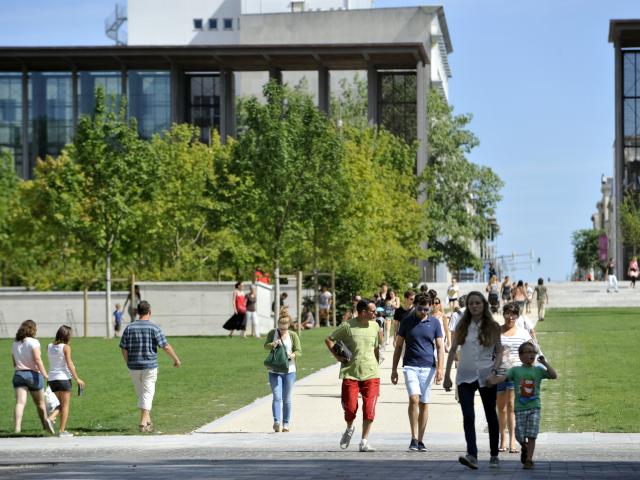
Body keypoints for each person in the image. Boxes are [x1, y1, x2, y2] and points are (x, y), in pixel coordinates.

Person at [443, 292, 502, 470]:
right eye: (470, 304)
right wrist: (447, 376)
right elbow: (453, 350)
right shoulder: (462, 325)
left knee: (491, 414)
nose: (474, 306)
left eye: (477, 303)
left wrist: (494, 371)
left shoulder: (493, 326)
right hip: (464, 376)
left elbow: (499, 351)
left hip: (486, 375)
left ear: (483, 305)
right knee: (468, 415)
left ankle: (494, 454)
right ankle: (472, 455)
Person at [488, 341, 557, 470]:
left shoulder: (538, 370)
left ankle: (529, 459)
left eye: (533, 352)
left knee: (532, 434)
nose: (532, 355)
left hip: (534, 407)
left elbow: (554, 375)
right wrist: (492, 380)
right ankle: (524, 447)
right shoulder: (515, 371)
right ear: (520, 356)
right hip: (519, 408)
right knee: (519, 435)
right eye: (528, 352)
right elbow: (503, 378)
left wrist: (545, 363)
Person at [325, 299, 380, 452]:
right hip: (350, 373)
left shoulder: (375, 326)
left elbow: (376, 349)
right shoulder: (347, 326)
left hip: (371, 373)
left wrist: (377, 363)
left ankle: (364, 441)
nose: (376, 314)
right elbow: (329, 340)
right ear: (363, 312)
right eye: (373, 311)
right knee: (350, 408)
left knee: (369, 409)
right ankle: (349, 428)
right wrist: (337, 357)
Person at [391, 293, 444, 452]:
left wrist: (440, 368)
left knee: (424, 403)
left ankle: (421, 440)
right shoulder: (407, 321)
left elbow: (440, 347)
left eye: (426, 309)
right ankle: (413, 438)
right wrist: (394, 369)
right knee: (414, 399)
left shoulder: (434, 322)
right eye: (421, 309)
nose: (423, 312)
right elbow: (399, 346)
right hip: (410, 366)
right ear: (415, 305)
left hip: (428, 367)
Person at [119, 301, 181, 432]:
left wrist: (128, 361)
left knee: (142, 394)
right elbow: (165, 346)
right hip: (149, 365)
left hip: (134, 366)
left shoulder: (129, 328)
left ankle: (148, 422)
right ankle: (143, 422)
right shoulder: (154, 328)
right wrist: (176, 359)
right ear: (149, 312)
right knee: (147, 393)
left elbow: (123, 347)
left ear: (137, 312)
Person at [496, 303, 533, 454]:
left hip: (516, 374)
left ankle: (512, 440)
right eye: (507, 314)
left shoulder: (523, 333)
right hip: (499, 374)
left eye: (514, 315)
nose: (510, 317)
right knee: (501, 408)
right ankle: (502, 438)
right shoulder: (497, 331)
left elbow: (532, 350)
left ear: (518, 316)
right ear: (503, 314)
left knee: (511, 406)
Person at [12, 320, 55, 435]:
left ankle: (17, 428)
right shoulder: (34, 342)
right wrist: (45, 374)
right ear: (33, 329)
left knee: (20, 403)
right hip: (33, 375)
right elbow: (37, 359)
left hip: (19, 374)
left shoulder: (15, 343)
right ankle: (45, 426)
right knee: (40, 404)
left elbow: (14, 363)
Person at [264, 312, 301, 432]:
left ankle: (285, 424)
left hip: (289, 370)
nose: (283, 329)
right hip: (274, 370)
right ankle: (276, 422)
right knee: (276, 396)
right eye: (281, 326)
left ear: (289, 325)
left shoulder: (293, 335)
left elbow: (299, 351)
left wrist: (292, 355)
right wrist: (273, 344)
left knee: (287, 399)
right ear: (278, 324)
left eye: (285, 327)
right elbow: (265, 346)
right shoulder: (272, 333)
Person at [46, 325, 86, 437]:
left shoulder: (49, 346)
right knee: (65, 405)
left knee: (61, 404)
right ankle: (61, 430)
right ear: (67, 336)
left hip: (52, 379)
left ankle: (51, 418)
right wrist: (77, 378)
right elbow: (69, 364)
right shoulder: (66, 347)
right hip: (63, 378)